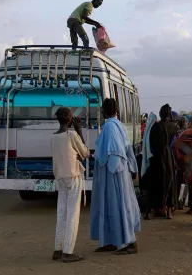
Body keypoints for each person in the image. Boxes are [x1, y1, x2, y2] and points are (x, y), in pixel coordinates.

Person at [90, 98, 141, 255]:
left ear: (104, 111)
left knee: (118, 205)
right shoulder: (118, 125)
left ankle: (129, 242)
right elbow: (127, 149)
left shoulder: (110, 127)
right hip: (116, 172)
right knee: (110, 205)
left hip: (113, 173)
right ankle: (111, 240)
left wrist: (107, 164)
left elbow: (115, 151)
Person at [51, 107, 90, 263]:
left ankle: (58, 249)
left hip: (60, 177)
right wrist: (79, 130)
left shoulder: (53, 137)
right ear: (69, 118)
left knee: (62, 213)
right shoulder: (73, 135)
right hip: (73, 176)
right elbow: (85, 152)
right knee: (73, 214)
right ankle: (68, 252)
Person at [146, 104, 178, 219]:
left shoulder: (155, 126)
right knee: (170, 182)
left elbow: (151, 143)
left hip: (157, 157)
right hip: (168, 156)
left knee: (155, 183)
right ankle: (169, 211)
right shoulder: (174, 127)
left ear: (160, 113)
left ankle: (153, 210)